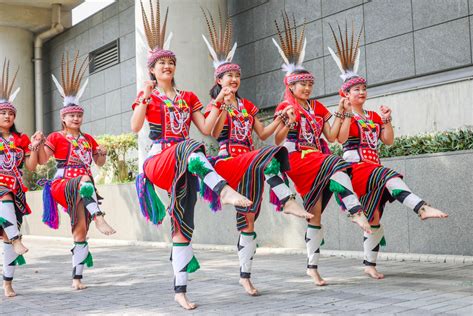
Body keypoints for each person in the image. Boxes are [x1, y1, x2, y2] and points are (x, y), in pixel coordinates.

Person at [131, 1, 252, 310]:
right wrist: (144, 97)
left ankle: (180, 290)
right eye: (161, 64)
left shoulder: (189, 98)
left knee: (183, 224)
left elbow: (209, 130)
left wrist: (223, 103)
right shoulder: (149, 95)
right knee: (187, 146)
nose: (167, 67)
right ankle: (223, 191)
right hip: (159, 160)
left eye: (171, 62)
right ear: (153, 71)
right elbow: (135, 127)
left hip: (188, 161)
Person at [201, 8, 313, 296]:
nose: (234, 79)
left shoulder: (248, 106)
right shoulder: (217, 104)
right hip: (228, 161)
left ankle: (245, 275)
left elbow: (263, 135)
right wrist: (222, 105)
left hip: (249, 160)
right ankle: (286, 200)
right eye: (228, 76)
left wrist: (283, 119)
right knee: (266, 159)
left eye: (237, 76)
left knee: (248, 219)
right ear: (219, 80)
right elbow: (212, 133)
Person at [328, 22, 448, 279]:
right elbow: (338, 138)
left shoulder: (372, 114)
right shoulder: (344, 113)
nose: (361, 92)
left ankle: (369, 264)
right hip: (357, 168)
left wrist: (387, 120)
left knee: (375, 221)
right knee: (390, 176)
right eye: (355, 90)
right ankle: (421, 207)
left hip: (374, 165)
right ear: (345, 94)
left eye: (363, 88)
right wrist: (347, 114)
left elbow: (388, 141)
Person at [272, 13, 372, 286]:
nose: (306, 87)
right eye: (301, 84)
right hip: (298, 159)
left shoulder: (316, 107)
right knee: (335, 163)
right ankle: (354, 210)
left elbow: (332, 135)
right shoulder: (285, 106)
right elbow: (277, 141)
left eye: (309, 84)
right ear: (290, 85)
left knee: (315, 213)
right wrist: (287, 121)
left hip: (317, 158)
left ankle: (312, 267)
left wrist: (343, 113)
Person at [38, 51, 116, 291]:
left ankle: (77, 278)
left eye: (79, 115)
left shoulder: (88, 138)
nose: (76, 118)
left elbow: (99, 164)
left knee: (80, 230)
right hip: (63, 183)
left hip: (84, 189)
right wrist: (37, 146)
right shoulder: (56, 137)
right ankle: (100, 215)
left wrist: (101, 154)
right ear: (64, 118)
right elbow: (42, 161)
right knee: (83, 177)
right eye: (72, 115)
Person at [0, 59, 42, 297]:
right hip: (1, 188)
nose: (7, 116)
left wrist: (35, 147)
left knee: (7, 240)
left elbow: (30, 167)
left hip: (15, 190)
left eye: (10, 113)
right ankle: (16, 238)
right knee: (2, 192)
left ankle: (7, 283)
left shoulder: (21, 139)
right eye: (3, 112)